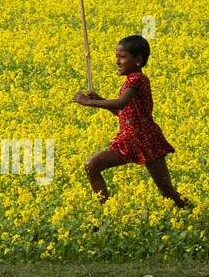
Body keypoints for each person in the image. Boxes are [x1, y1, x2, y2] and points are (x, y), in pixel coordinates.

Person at [72, 35, 192, 208]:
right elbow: (124, 113)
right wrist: (100, 99)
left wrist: (89, 102)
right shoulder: (131, 81)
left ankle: (195, 215)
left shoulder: (137, 79)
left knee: (167, 192)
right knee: (92, 165)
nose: (117, 61)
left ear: (138, 60)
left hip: (146, 140)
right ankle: (105, 212)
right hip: (129, 140)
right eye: (116, 56)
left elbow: (121, 103)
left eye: (122, 57)